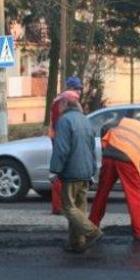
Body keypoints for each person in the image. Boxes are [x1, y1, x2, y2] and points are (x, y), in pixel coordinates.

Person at [89, 112, 140, 241]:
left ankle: (91, 226)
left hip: (109, 155)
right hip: (127, 161)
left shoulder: (124, 122)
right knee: (135, 196)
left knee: (102, 193)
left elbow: (105, 128)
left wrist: (106, 156)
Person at [50, 94, 102, 253]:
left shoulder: (64, 122)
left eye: (59, 107)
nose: (57, 110)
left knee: (68, 208)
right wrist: (92, 169)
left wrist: (55, 170)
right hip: (85, 171)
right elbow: (92, 148)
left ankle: (92, 231)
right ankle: (77, 243)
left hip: (71, 172)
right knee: (79, 209)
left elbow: (61, 148)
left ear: (64, 106)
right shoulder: (86, 121)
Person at [48, 76, 85, 215]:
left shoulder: (61, 100)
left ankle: (62, 205)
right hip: (61, 139)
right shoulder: (66, 100)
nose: (79, 92)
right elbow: (64, 124)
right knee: (61, 172)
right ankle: (59, 206)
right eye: (76, 89)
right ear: (69, 88)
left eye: (80, 89)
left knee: (62, 172)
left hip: (59, 138)